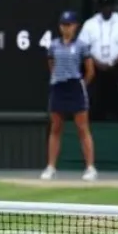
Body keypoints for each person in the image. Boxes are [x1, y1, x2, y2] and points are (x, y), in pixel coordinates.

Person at [41, 11, 96, 181]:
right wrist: (58, 78)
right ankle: (51, 167)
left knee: (82, 128)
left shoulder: (82, 46)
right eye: (64, 25)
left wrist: (81, 84)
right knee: (56, 128)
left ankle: (90, 168)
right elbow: (51, 65)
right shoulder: (53, 45)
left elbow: (90, 70)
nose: (66, 28)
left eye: (69, 25)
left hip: (75, 88)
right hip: (59, 87)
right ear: (60, 27)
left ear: (75, 26)